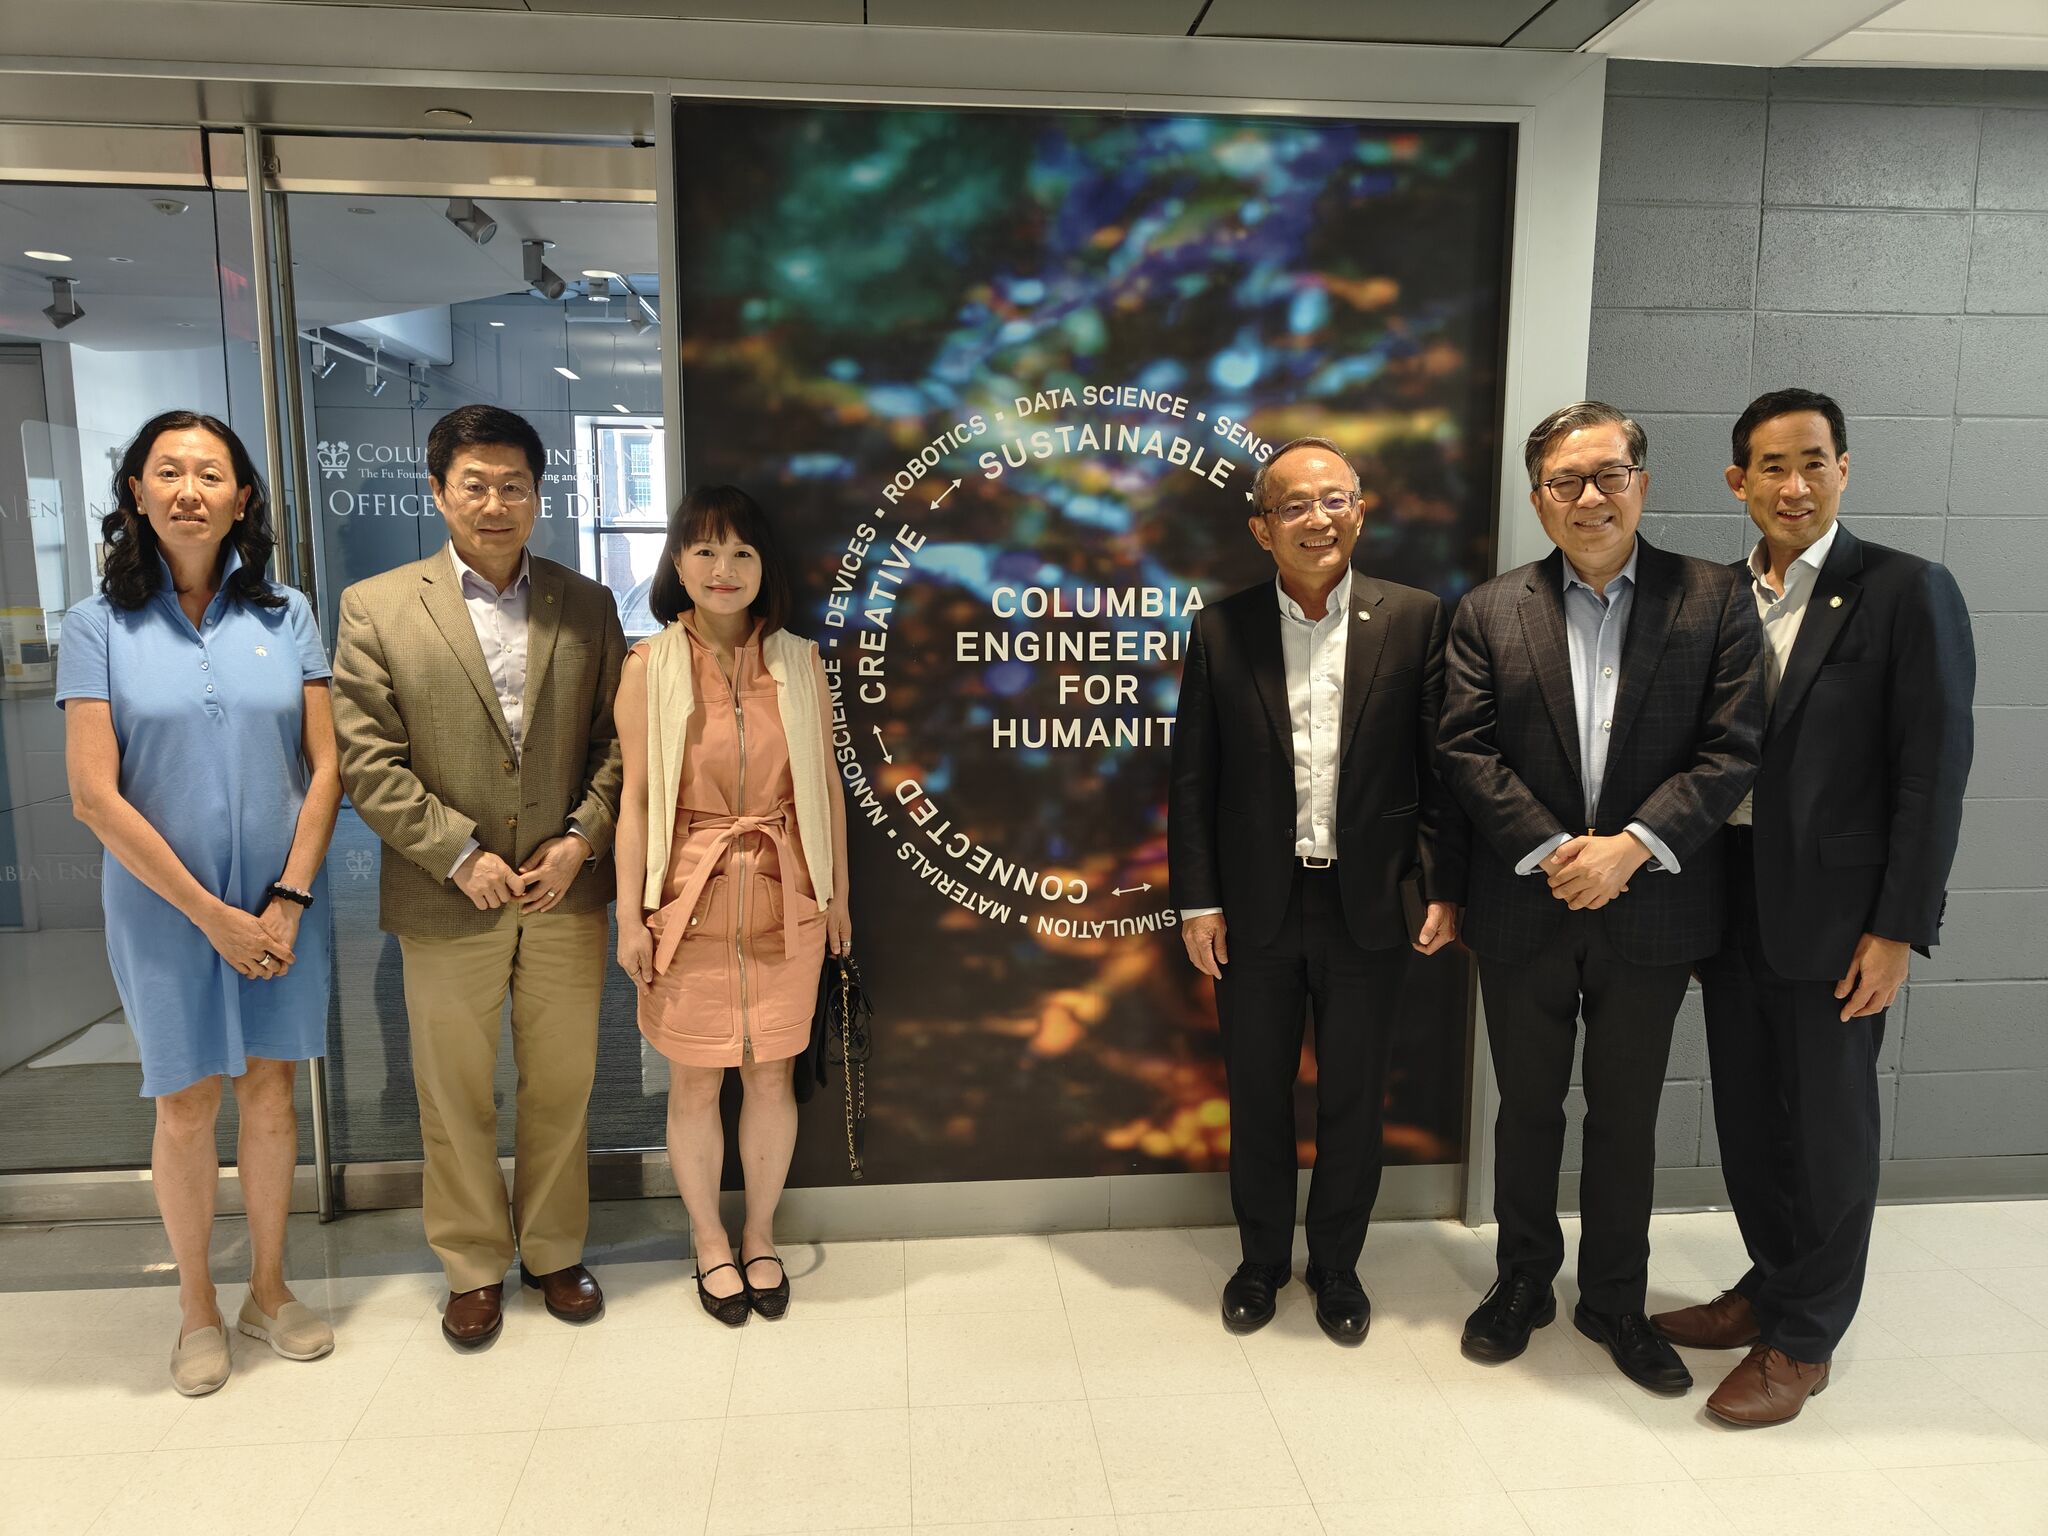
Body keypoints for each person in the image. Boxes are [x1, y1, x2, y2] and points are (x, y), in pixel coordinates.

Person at [1653, 390, 1975, 1426]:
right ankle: (1768, 1283)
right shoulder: (1710, 597)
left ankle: (1805, 1337)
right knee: (1750, 1118)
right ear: (1734, 482)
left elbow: (1930, 777)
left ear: (1843, 467)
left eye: (1811, 463)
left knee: (1828, 1128)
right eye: (1768, 467)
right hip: (1726, 896)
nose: (1791, 486)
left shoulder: (1902, 591)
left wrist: (1897, 928)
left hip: (1839, 919)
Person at [1439, 401, 1763, 1394]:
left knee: (1625, 1116)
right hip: (1522, 908)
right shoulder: (1488, 610)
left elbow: (1731, 748)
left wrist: (1627, 849)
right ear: (1537, 500)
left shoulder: (1713, 599)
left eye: (1607, 475)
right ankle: (1521, 1282)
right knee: (1526, 1108)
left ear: (1642, 483)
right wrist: (1551, 852)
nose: (1588, 496)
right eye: (1564, 482)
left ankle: (1615, 1300)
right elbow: (1463, 748)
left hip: (1653, 906)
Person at [58, 411, 339, 1396]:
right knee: (186, 1103)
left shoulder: (286, 614)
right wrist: (209, 914)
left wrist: (289, 899)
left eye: (209, 474)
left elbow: (326, 767)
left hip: (281, 903)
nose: (188, 490)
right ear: (135, 491)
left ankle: (268, 1287)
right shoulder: (97, 626)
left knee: (269, 1091)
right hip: (162, 908)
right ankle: (197, 1307)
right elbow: (95, 795)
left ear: (242, 498)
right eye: (166, 472)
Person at [332, 404, 625, 1348]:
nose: (496, 503)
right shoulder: (377, 606)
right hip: (443, 892)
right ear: (438, 492)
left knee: (562, 1081)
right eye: (476, 485)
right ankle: (470, 1264)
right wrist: (459, 854)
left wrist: (583, 837)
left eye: (514, 486)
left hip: (564, 890)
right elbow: (367, 760)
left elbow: (617, 744)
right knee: (453, 1091)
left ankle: (551, 1249)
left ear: (540, 495)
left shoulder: (587, 604)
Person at [1168, 437, 1466, 1345]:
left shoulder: (1416, 619)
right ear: (1262, 528)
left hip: (1371, 904)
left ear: (1361, 512)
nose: (1317, 519)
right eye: (1294, 505)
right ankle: (1261, 1261)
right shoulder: (1222, 629)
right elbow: (1193, 783)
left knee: (1354, 1097)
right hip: (1255, 910)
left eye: (1335, 500)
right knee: (1256, 1094)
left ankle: (1336, 1265)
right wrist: (1197, 901)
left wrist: (1440, 887)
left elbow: (1443, 772)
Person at [614, 485, 850, 1326]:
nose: (724, 569)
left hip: (786, 893)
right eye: (706, 551)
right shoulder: (649, 666)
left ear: (764, 568)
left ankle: (759, 1235)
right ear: (677, 562)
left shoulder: (800, 660)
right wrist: (629, 914)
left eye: (742, 553)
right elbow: (636, 801)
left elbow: (824, 784)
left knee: (771, 1072)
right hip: (687, 897)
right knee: (692, 1078)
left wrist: (837, 896)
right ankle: (708, 1240)